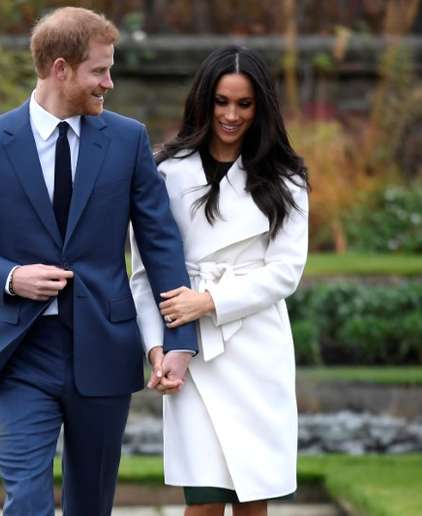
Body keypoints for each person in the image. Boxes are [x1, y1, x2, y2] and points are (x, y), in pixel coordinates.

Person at [0, 6, 198, 515]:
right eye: (99, 70)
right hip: (20, 351)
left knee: (91, 506)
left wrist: (177, 340)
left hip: (104, 345)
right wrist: (8, 276)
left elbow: (160, 242)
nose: (109, 82)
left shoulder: (127, 140)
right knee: (27, 504)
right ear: (60, 69)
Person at [129, 45, 310, 516]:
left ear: (261, 107)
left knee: (253, 498)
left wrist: (207, 301)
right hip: (191, 352)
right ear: (203, 101)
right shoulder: (165, 172)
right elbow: (144, 274)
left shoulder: (286, 178)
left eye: (244, 104)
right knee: (205, 501)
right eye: (222, 102)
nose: (231, 115)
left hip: (255, 345)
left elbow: (286, 271)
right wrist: (157, 348)